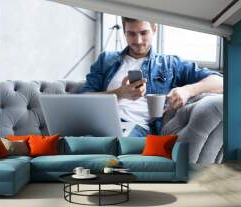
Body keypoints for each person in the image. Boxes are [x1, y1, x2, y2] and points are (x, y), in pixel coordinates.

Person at [81, 17, 223, 137]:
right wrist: (119, 93)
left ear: (154, 29)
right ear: (124, 32)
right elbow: (83, 98)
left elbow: (220, 82)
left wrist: (188, 90)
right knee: (76, 142)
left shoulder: (170, 64)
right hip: (98, 124)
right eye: (131, 34)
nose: (138, 40)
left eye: (144, 33)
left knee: (109, 144)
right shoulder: (106, 60)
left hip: (135, 128)